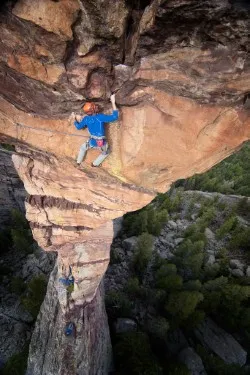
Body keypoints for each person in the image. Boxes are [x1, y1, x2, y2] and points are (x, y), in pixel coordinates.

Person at [74, 94, 119, 167]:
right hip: (101, 143)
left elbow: (78, 127)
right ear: (93, 110)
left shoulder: (86, 119)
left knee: (83, 148)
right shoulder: (100, 117)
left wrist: (75, 120)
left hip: (92, 142)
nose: (96, 106)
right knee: (106, 152)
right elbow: (115, 117)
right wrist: (113, 102)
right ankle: (95, 164)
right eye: (94, 106)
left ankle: (78, 162)